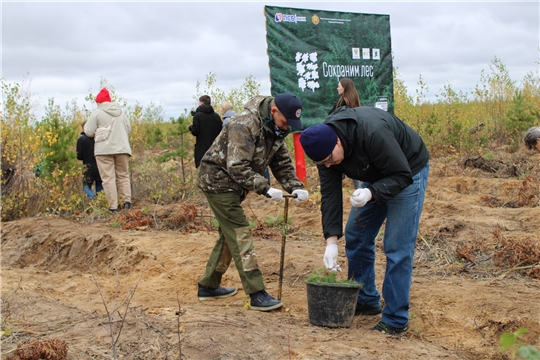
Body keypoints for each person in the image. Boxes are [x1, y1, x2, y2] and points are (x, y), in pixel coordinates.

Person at [299, 106, 430, 335]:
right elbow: (330, 196)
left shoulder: (372, 131)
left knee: (396, 247)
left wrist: (371, 193)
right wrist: (331, 241)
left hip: (407, 170)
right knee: (356, 234)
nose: (329, 165)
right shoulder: (324, 149)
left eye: (330, 160)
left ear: (338, 143)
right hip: (376, 172)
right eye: (323, 163)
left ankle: (395, 319)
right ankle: (366, 297)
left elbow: (401, 174)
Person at [196, 93, 309, 311]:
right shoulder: (244, 124)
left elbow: (282, 163)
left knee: (229, 236)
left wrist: (295, 186)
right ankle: (256, 293)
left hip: (235, 185)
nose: (287, 128)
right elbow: (237, 167)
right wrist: (265, 188)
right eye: (285, 122)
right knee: (240, 232)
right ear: (274, 111)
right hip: (217, 180)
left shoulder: (276, 129)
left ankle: (208, 286)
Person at [84, 88, 132, 213]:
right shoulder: (121, 112)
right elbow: (128, 128)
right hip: (122, 148)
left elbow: (88, 132)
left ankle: (113, 207)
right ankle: (126, 203)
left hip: (103, 150)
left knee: (108, 178)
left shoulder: (97, 113)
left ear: (99, 102)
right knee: (123, 175)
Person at [330, 77, 362, 189]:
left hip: (343, 137)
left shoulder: (343, 102)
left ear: (345, 87)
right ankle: (359, 188)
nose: (337, 87)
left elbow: (334, 117)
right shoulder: (354, 100)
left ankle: (356, 187)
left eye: (339, 85)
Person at [189, 95, 222, 167]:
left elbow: (195, 132)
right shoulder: (216, 116)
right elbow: (221, 132)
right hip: (215, 149)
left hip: (202, 149)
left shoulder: (197, 116)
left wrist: (191, 127)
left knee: (201, 172)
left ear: (201, 103)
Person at [77, 120, 103, 198]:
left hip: (88, 166)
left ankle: (93, 198)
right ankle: (100, 202)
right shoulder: (98, 138)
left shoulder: (81, 140)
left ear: (83, 128)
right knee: (99, 185)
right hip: (100, 165)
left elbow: (79, 156)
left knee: (85, 186)